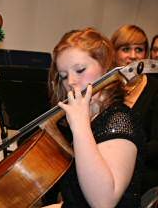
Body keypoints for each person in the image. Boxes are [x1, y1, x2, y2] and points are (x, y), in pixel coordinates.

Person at [46, 28, 143, 207]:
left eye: (80, 70)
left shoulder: (119, 121)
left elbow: (103, 202)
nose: (71, 82)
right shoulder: (90, 121)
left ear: (105, 67)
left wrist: (80, 127)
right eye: (64, 76)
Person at [111, 24, 158, 197]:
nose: (133, 56)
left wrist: (124, 156)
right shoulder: (106, 89)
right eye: (125, 49)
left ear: (145, 54)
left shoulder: (155, 88)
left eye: (139, 49)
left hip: (143, 173)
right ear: (114, 53)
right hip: (107, 167)